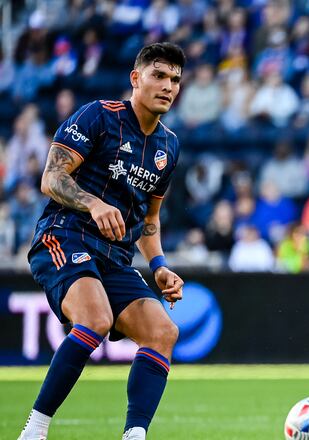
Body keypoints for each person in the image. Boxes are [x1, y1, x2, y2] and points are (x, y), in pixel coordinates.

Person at [18, 42, 186, 440]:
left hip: (115, 257)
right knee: (95, 319)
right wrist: (93, 203)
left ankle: (135, 435)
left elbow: (149, 219)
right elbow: (52, 178)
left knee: (163, 332)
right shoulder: (98, 116)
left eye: (175, 80)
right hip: (63, 234)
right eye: (159, 75)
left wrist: (160, 265)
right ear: (136, 78)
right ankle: (35, 431)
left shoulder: (169, 146)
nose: (168, 86)